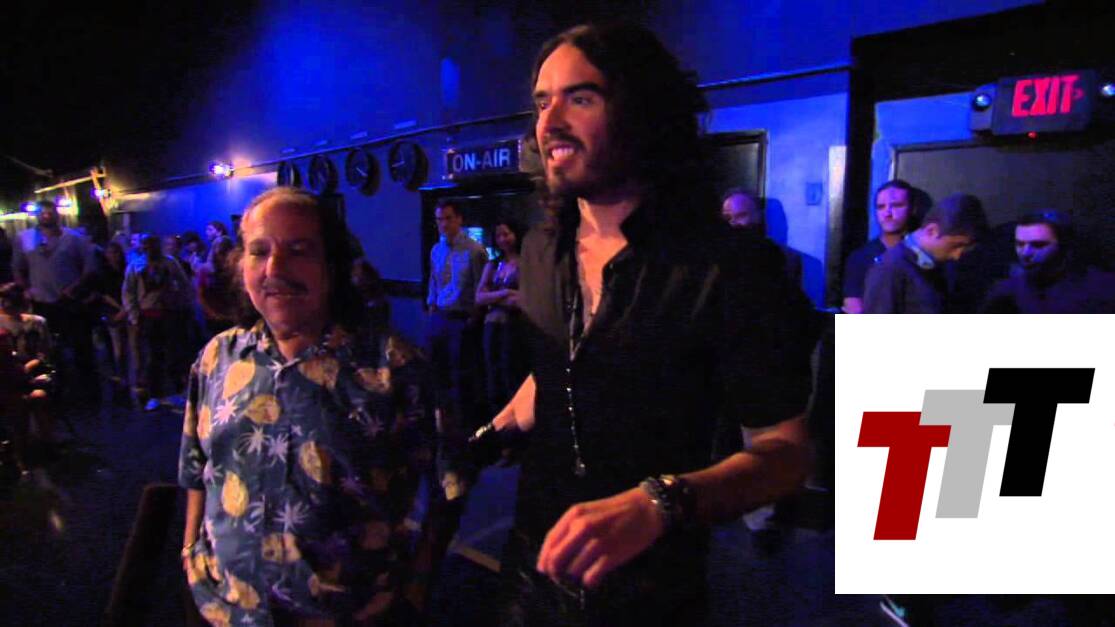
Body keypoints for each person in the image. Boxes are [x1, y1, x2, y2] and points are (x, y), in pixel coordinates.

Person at [467, 23, 815, 624]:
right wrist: (480, 440)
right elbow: (557, 372)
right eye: (543, 102)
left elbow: (785, 453)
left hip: (651, 590)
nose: (550, 123)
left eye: (580, 98)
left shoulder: (728, 267)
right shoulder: (539, 250)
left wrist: (663, 502)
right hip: (531, 568)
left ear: (643, 113)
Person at [179, 187, 434, 625]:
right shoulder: (215, 358)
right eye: (259, 251)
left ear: (332, 266)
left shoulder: (394, 367)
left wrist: (414, 592)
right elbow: (195, 467)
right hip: (223, 609)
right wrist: (190, 551)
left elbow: (447, 486)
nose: (275, 269)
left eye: (298, 251)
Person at [11, 200, 97, 395]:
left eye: (50, 212)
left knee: (81, 346)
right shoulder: (24, 238)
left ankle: (88, 390)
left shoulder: (74, 238)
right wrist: (26, 289)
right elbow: (17, 268)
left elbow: (90, 268)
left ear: (58, 214)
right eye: (42, 213)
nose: (46, 216)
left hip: (70, 301)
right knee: (46, 348)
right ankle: (55, 388)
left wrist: (75, 287)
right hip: (41, 302)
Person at [426, 199, 489, 466]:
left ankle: (466, 437)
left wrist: (474, 317)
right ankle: (445, 432)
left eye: (448, 218)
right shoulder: (436, 249)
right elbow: (434, 281)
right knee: (437, 374)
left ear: (459, 219)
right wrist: (431, 307)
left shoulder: (475, 250)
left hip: (462, 319)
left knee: (461, 378)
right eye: (439, 219)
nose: (443, 224)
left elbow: (481, 286)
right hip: (440, 316)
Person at [863, 194, 987, 314]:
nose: (958, 255)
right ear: (931, 231)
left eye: (965, 248)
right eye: (956, 246)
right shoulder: (890, 268)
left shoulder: (940, 267)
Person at [981, 210, 1115, 313]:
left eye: (1038, 245)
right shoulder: (1005, 291)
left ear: (1064, 245)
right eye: (1020, 244)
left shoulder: (1102, 288)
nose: (1026, 253)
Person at [123, 234, 192, 411]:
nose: (150, 248)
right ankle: (154, 393)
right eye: (146, 245)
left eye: (152, 244)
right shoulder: (136, 265)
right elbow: (129, 292)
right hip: (148, 314)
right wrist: (134, 315)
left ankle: (175, 391)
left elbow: (184, 283)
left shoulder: (169, 263)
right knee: (152, 355)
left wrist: (181, 304)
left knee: (173, 353)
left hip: (169, 313)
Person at [843, 180, 923, 313]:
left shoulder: (922, 253)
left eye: (897, 205)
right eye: (881, 207)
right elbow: (853, 305)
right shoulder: (861, 257)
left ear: (912, 209)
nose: (887, 213)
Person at [0, 282, 56, 473]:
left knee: (38, 396)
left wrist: (27, 368)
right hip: (7, 376)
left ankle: (45, 445)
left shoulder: (36, 322)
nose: (5, 306)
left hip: (32, 373)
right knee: (15, 401)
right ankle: (19, 451)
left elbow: (44, 354)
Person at [475, 218, 528, 414]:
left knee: (511, 373)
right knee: (492, 374)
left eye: (507, 234)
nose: (503, 239)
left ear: (516, 234)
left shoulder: (526, 262)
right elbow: (479, 297)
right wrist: (506, 293)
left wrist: (494, 297)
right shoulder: (493, 264)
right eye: (498, 235)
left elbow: (524, 299)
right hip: (491, 325)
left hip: (514, 326)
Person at [721, 188, 804, 287]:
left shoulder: (786, 259)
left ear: (758, 216)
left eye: (741, 216)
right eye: (727, 218)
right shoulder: (719, 256)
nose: (733, 223)